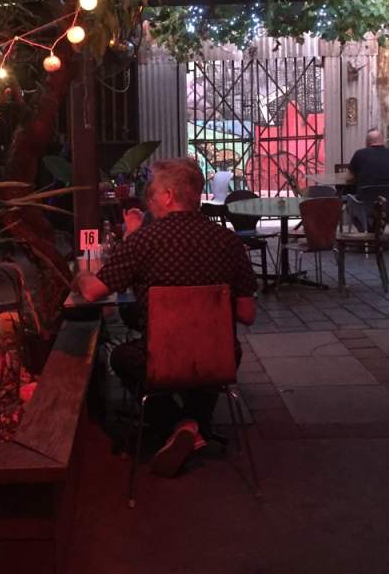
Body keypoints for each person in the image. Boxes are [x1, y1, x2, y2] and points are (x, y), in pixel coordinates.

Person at [72, 157, 257, 477]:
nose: (149, 201)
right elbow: (247, 313)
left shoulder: (145, 241)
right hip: (219, 358)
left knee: (121, 357)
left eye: (152, 193)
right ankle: (194, 424)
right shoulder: (229, 242)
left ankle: (176, 423)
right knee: (205, 359)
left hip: (160, 358)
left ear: (169, 195)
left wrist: (81, 275)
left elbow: (92, 293)